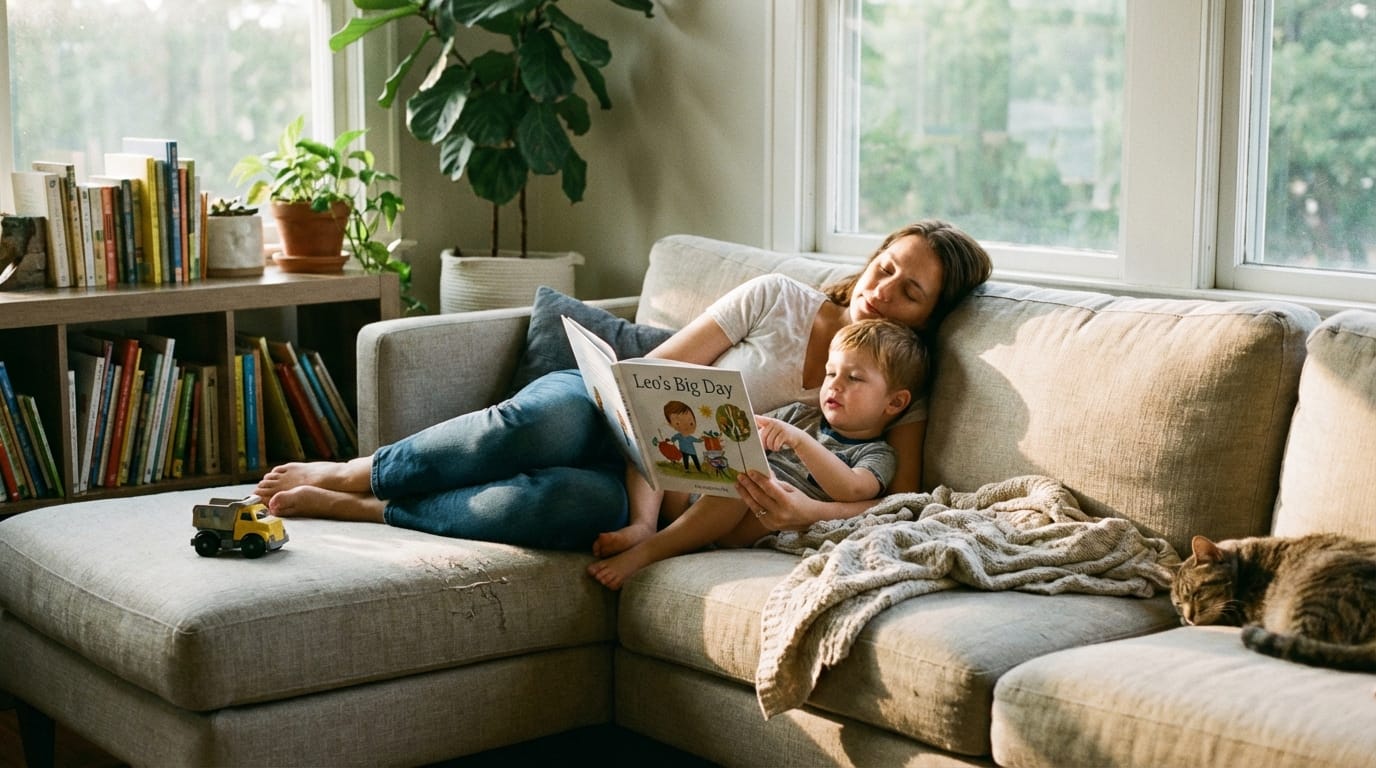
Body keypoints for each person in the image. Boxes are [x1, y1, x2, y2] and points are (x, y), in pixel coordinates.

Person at [252, 220, 993, 551]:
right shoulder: (777, 298)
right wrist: (644, 416)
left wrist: (805, 509)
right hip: (617, 416)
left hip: (670, 491)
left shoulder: (900, 386)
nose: (883, 290)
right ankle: (359, 468)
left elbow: (901, 500)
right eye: (886, 266)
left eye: (911, 292)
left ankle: (370, 510)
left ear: (931, 318)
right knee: (535, 428)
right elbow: (654, 370)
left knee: (557, 504)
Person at [587, 319, 925, 589]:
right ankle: (643, 523)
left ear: (894, 403)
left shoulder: (878, 454)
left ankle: (650, 550)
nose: (835, 385)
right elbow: (746, 439)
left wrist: (799, 443)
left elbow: (853, 490)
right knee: (656, 435)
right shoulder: (798, 414)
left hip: (747, 522)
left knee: (751, 479)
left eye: (854, 378)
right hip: (694, 497)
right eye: (831, 373)